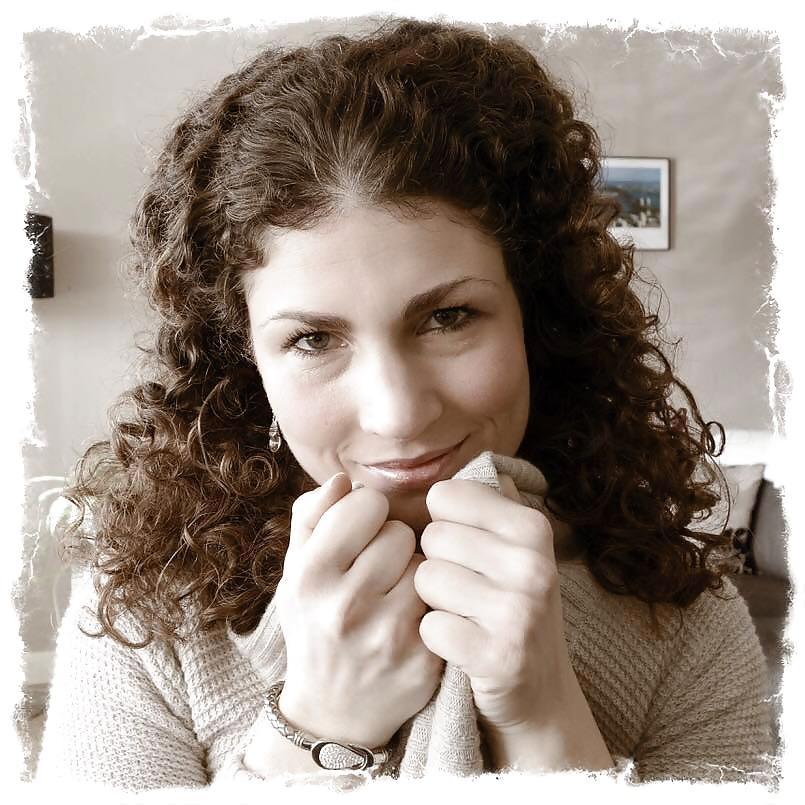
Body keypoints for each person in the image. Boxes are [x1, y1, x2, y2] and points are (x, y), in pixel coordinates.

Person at [35, 18, 773, 790]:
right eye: (313, 339)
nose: (397, 414)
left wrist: (543, 716)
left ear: (537, 319)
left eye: (448, 317)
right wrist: (318, 727)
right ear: (245, 362)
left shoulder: (686, 623)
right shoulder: (150, 618)